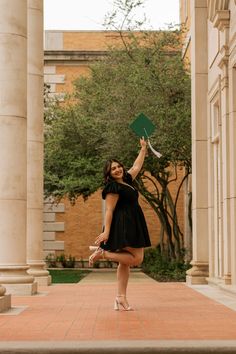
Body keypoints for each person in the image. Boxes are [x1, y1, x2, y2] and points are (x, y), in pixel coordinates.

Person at [89, 137, 151, 311]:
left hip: (133, 222)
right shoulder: (113, 188)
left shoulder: (127, 181)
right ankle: (104, 254)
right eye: (113, 169)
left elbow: (137, 166)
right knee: (137, 258)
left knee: (125, 263)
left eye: (118, 166)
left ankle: (120, 297)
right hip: (123, 225)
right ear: (108, 174)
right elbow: (109, 210)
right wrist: (107, 232)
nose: (117, 170)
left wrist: (143, 149)